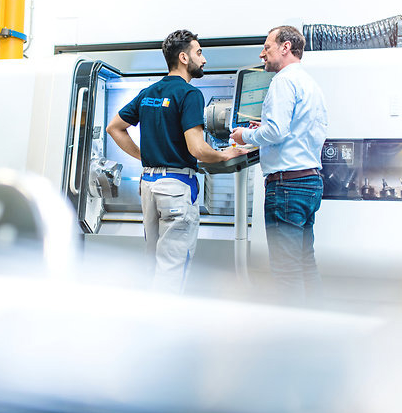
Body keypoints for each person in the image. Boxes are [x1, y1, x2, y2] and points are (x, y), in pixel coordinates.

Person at [106, 29, 247, 294]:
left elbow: (114, 128)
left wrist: (144, 157)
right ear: (184, 57)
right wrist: (226, 153)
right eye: (199, 52)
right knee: (173, 266)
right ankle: (166, 328)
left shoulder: (148, 92)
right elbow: (198, 150)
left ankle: (150, 322)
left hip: (148, 185)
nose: (203, 60)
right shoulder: (190, 95)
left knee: (154, 262)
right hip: (176, 187)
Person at [229, 26, 328, 306]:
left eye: (267, 47)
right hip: (309, 183)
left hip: (286, 187)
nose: (262, 54)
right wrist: (268, 128)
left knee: (286, 272)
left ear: (285, 47)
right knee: (305, 263)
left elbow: (277, 132)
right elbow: (296, 130)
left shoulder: (282, 82)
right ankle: (316, 327)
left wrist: (244, 135)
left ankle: (292, 338)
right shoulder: (310, 84)